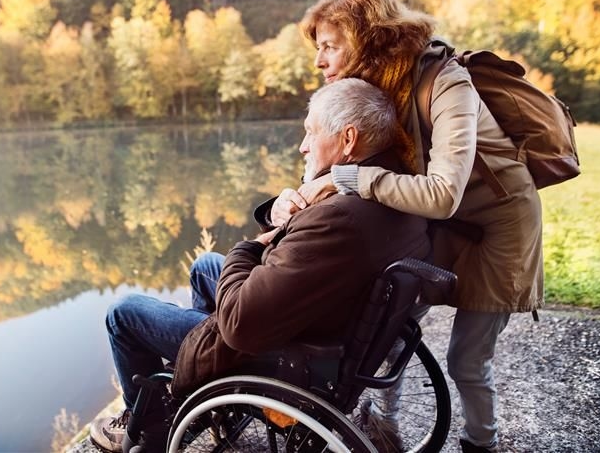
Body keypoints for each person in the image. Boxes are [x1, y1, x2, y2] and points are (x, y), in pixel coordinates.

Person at [264, 0, 544, 453]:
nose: (319, 60)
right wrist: (291, 199)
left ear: (368, 40)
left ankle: (482, 442)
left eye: (330, 46)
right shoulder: (369, 91)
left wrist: (352, 178)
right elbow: (322, 159)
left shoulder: (446, 82)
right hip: (438, 224)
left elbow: (442, 195)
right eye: (319, 48)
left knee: (467, 360)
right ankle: (381, 429)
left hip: (498, 228)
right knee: (387, 323)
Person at [87, 78, 431, 452]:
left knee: (123, 313)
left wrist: (247, 248)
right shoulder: (390, 188)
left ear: (348, 140)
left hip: (290, 353)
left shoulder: (339, 219)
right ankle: (199, 399)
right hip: (326, 321)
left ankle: (148, 429)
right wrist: (282, 212)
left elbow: (239, 326)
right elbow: (303, 247)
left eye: (311, 133)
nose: (303, 146)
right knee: (205, 266)